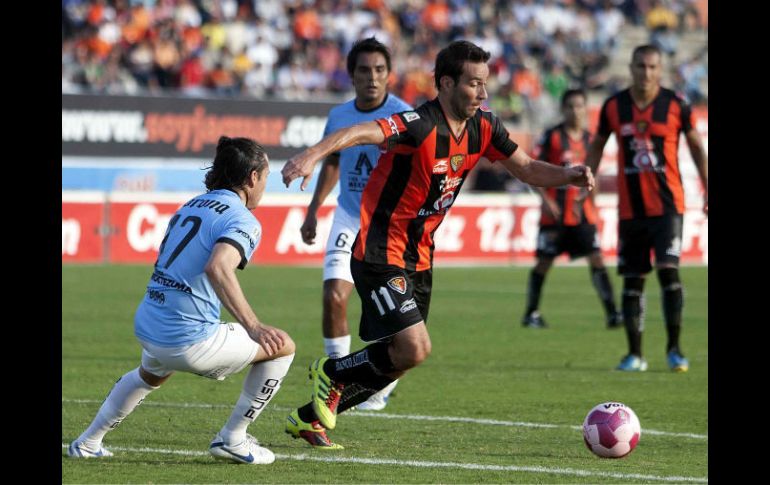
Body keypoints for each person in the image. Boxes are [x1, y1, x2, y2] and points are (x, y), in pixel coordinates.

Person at [281, 40, 594, 446]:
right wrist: (311, 155)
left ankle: (310, 418)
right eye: (473, 84)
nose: (482, 93)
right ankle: (333, 371)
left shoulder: (485, 126)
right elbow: (359, 131)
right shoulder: (418, 123)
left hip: (421, 257)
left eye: (485, 84)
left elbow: (529, 169)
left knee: (398, 360)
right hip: (380, 251)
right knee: (414, 348)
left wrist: (568, 174)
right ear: (446, 83)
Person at [67, 137, 296, 464]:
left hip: (150, 323)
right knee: (282, 346)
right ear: (252, 178)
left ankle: (87, 442)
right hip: (190, 340)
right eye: (266, 177)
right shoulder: (242, 218)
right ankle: (233, 438)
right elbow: (218, 267)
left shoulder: (192, 205)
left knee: (149, 375)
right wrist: (254, 326)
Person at [297, 38, 411, 421]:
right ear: (351, 75)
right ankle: (337, 380)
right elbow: (332, 162)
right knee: (333, 295)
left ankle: (382, 379)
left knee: (389, 311)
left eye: (380, 70)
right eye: (364, 70)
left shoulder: (404, 115)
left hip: (390, 223)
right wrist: (313, 211)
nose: (373, 78)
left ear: (389, 75)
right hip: (348, 215)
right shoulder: (339, 116)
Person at [583, 44, 708, 372]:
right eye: (640, 66)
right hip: (631, 211)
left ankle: (675, 350)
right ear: (631, 67)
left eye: (652, 67)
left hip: (668, 206)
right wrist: (587, 182)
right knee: (633, 281)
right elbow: (596, 145)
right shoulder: (614, 106)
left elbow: (696, 147)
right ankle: (635, 355)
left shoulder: (676, 105)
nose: (646, 73)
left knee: (669, 271)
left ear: (660, 69)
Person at [522, 88, 623, 330]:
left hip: (583, 215)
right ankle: (531, 313)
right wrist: (546, 200)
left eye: (579, 106)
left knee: (597, 259)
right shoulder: (552, 137)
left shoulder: (592, 140)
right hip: (555, 214)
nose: (575, 111)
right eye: (570, 106)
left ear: (585, 109)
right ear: (563, 109)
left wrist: (594, 206)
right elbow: (533, 170)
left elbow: (593, 176)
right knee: (543, 263)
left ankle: (612, 313)